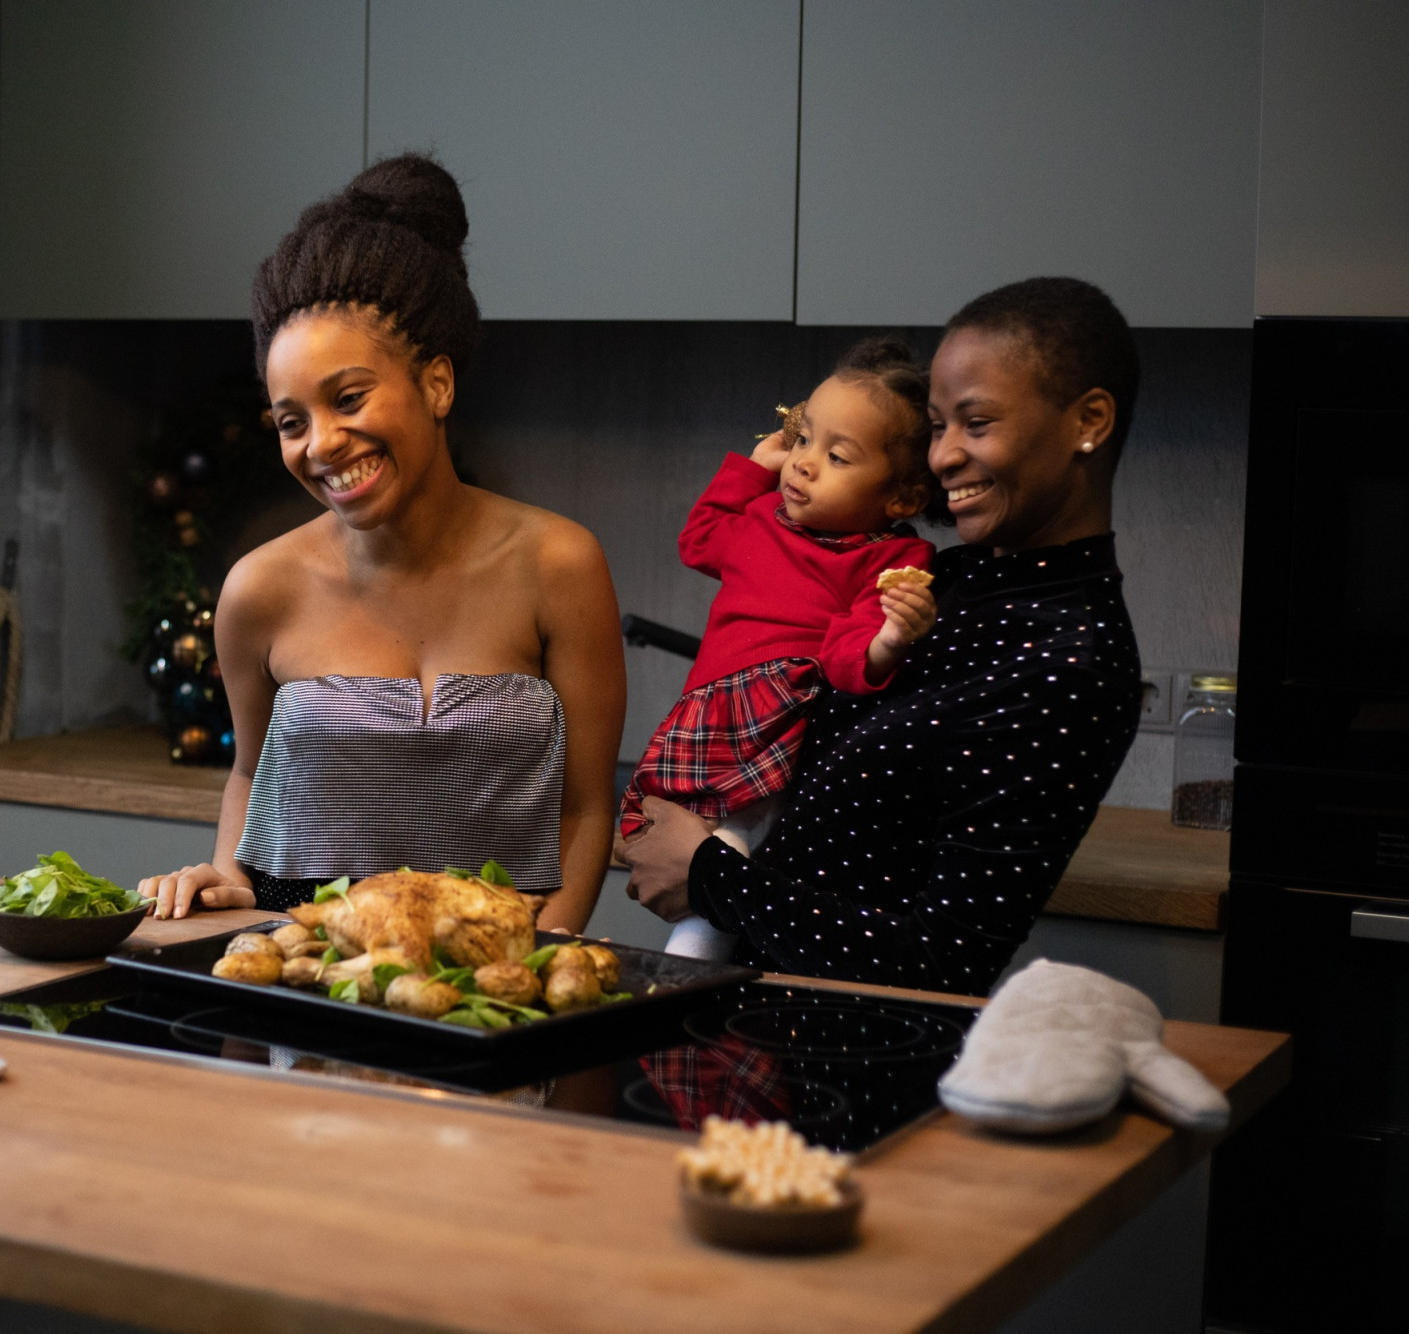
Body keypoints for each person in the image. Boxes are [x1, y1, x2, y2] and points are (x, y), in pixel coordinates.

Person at [139, 155, 625, 932]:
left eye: (350, 398)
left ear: (436, 383)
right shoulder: (259, 590)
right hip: (306, 968)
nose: (321, 443)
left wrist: (536, 966)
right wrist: (225, 877)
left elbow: (586, 805)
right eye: (291, 421)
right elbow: (249, 775)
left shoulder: (558, 564)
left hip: (497, 973)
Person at [621, 277, 1144, 995]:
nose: (942, 458)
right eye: (936, 426)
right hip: (754, 1037)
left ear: (1088, 420)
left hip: (853, 1075)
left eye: (977, 423)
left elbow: (944, 960)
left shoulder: (1068, 658)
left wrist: (710, 876)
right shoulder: (940, 577)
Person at [619, 338, 942, 959]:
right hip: (712, 712)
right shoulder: (764, 515)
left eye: (837, 455)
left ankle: (688, 966)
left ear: (900, 500)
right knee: (670, 825)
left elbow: (849, 658)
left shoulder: (894, 557)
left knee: (735, 838)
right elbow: (700, 540)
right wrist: (753, 466)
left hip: (781, 720)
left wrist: (892, 638)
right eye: (803, 439)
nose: (804, 463)